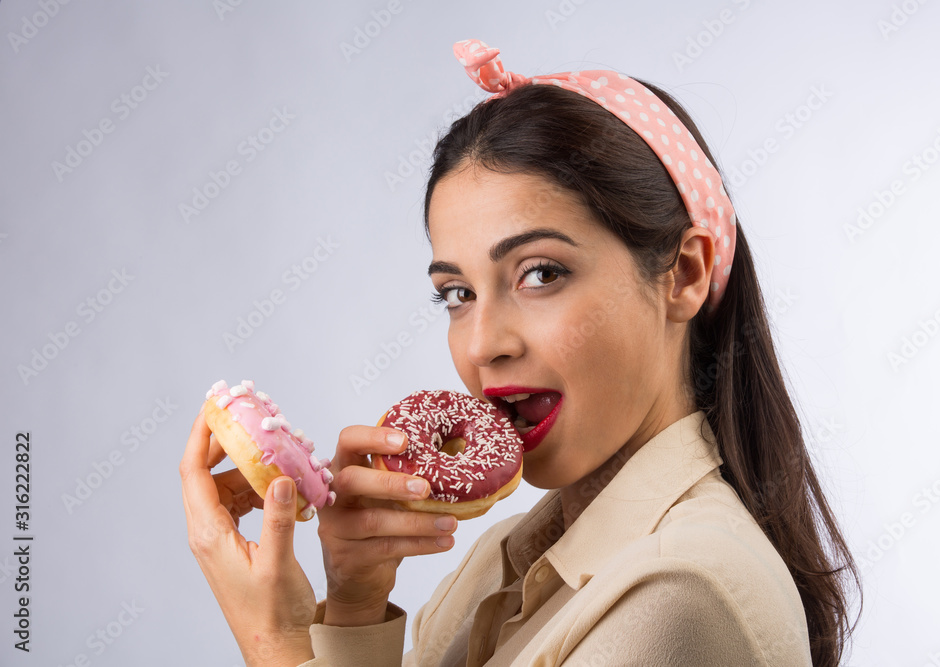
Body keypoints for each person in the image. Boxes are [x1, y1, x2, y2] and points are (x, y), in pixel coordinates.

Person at [180, 39, 860, 666]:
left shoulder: (684, 591)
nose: (482, 345)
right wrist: (354, 606)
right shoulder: (498, 565)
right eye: (457, 293)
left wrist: (276, 641)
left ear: (682, 275)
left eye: (541, 273)